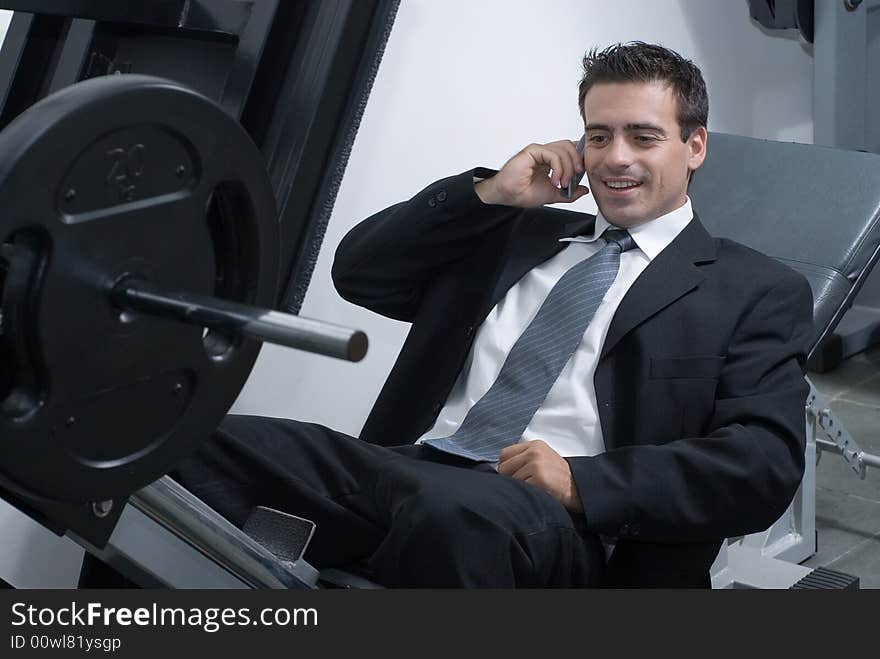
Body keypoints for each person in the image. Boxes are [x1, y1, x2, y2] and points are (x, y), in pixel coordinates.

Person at [87, 42, 814, 588]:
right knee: (171, 446)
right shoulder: (518, 235)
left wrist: (585, 482)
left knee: (453, 515)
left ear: (694, 146)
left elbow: (762, 464)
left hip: (565, 523)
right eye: (598, 135)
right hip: (406, 467)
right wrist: (491, 193)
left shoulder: (753, 288)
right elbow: (359, 271)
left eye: (643, 136)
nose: (614, 157)